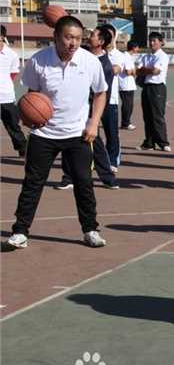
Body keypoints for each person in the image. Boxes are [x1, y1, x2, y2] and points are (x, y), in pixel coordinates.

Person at [5, 16, 108, 250]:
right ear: (56, 37)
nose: (73, 43)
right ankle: (20, 232)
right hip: (44, 134)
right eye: (68, 37)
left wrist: (94, 123)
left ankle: (90, 229)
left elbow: (101, 93)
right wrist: (30, 116)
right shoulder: (39, 61)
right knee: (33, 183)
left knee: (84, 183)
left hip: (78, 134)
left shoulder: (90, 62)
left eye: (78, 38)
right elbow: (32, 95)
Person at [57, 27, 119, 190]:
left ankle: (106, 177)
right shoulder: (80, 53)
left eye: (93, 35)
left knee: (93, 143)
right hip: (73, 105)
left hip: (88, 110)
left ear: (100, 42)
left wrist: (94, 118)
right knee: (70, 140)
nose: (89, 36)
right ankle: (72, 177)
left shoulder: (105, 65)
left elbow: (103, 93)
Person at [136, 32, 170, 151]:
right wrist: (146, 70)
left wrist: (145, 70)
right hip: (146, 87)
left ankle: (163, 142)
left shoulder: (162, 56)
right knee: (147, 116)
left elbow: (156, 71)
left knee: (157, 116)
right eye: (150, 40)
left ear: (161, 42)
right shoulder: (146, 56)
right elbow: (138, 71)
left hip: (158, 87)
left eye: (154, 41)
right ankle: (149, 142)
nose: (151, 43)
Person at [0, 24, 26, 156]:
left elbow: (13, 74)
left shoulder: (12, 55)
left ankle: (23, 149)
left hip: (6, 97)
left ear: (2, 37)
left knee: (13, 127)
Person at [99, 24, 122, 170]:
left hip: (110, 99)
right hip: (92, 99)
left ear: (113, 37)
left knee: (111, 132)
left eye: (109, 35)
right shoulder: (92, 55)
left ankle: (113, 160)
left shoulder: (118, 55)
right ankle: (95, 159)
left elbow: (115, 69)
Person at [118, 41, 139, 130]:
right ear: (133, 48)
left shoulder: (129, 57)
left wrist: (133, 71)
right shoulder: (125, 57)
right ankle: (126, 123)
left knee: (129, 104)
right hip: (125, 85)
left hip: (129, 84)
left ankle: (125, 122)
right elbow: (128, 71)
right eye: (137, 47)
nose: (138, 49)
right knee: (127, 105)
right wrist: (134, 72)